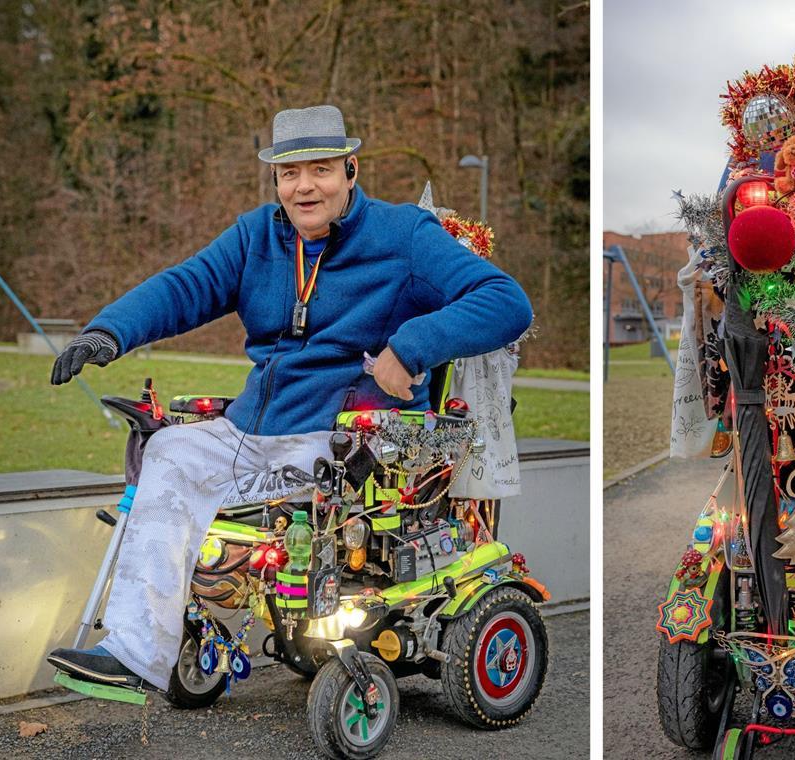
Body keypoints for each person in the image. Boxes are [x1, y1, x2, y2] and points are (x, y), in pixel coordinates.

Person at [46, 105, 532, 691]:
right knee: (167, 454)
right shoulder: (257, 236)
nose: (304, 186)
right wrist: (110, 331)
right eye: (289, 173)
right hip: (253, 430)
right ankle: (135, 654)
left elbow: (506, 301)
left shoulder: (403, 237)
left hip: (343, 443)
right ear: (276, 180)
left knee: (261, 498)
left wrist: (411, 347)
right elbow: (185, 284)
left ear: (351, 170)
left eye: (320, 169)